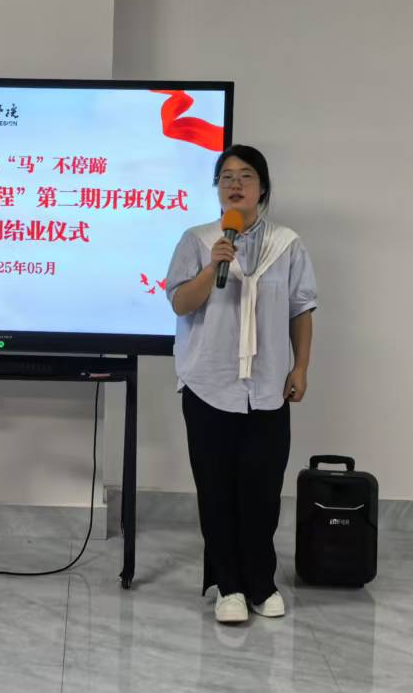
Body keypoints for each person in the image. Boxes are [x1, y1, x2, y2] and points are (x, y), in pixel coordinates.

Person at [165, 144, 317, 625]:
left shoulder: (287, 244)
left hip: (268, 387)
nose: (235, 184)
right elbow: (180, 304)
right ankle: (228, 585)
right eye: (226, 176)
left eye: (245, 176)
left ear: (262, 187)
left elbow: (301, 310)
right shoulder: (199, 240)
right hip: (208, 384)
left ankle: (260, 583)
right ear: (217, 188)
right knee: (216, 491)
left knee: (262, 491)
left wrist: (300, 368)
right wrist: (212, 267)